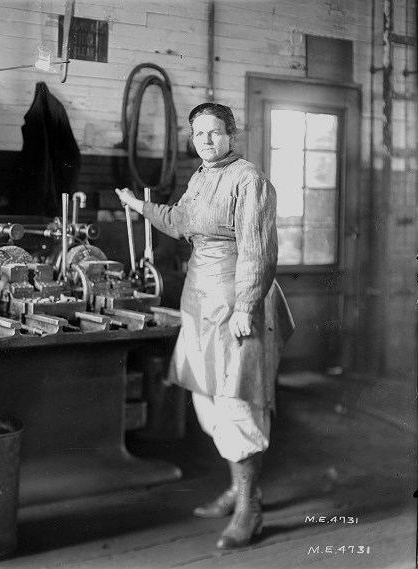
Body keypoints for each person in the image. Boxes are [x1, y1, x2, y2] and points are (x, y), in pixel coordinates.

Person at [116, 102, 294, 549]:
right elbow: (179, 222)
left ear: (232, 134)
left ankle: (249, 509)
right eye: (199, 135)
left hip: (238, 303)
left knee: (238, 404)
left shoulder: (248, 179)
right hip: (200, 301)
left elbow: (258, 253)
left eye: (215, 133)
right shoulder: (200, 177)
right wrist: (140, 206)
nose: (207, 141)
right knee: (207, 403)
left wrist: (245, 307)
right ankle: (240, 487)